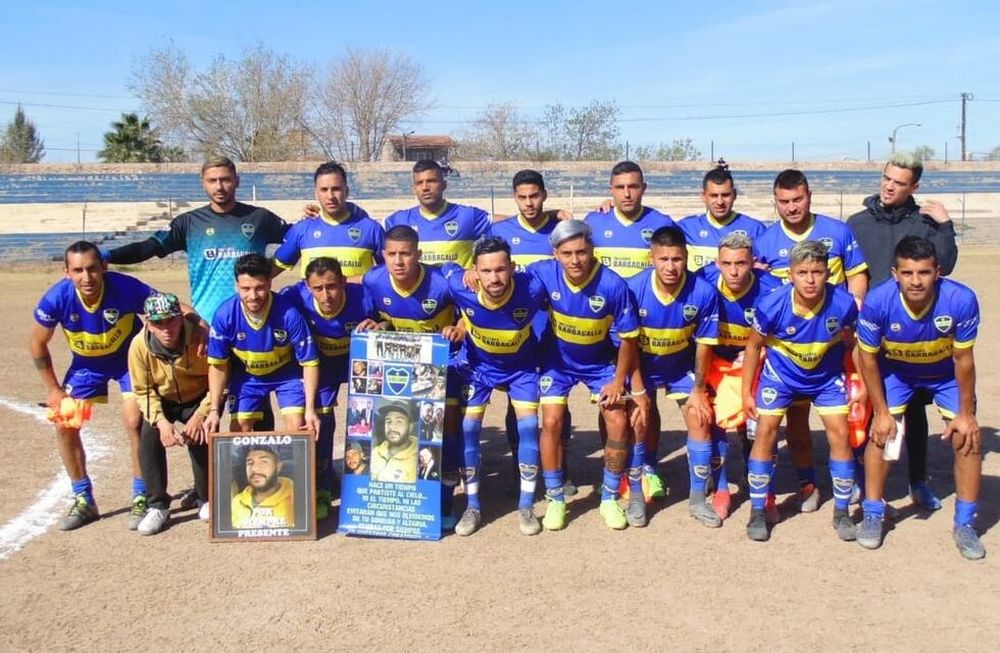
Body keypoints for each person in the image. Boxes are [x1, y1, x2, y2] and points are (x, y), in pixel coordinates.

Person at [105, 156, 293, 444]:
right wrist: (107, 256)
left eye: (226, 179)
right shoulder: (188, 223)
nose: (220, 186)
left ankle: (259, 473)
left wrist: (273, 269)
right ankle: (214, 483)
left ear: (237, 181)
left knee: (254, 401)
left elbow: (298, 239)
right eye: (213, 180)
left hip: (253, 322)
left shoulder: (259, 219)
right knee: (214, 407)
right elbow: (148, 248)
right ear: (203, 184)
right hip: (205, 331)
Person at [854, 237, 984, 560]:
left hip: (945, 375)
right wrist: (881, 412)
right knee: (883, 434)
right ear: (895, 272)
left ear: (937, 272)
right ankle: (872, 512)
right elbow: (866, 358)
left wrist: (966, 414)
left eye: (924, 272)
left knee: (966, 438)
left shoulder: (961, 299)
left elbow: (963, 360)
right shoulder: (877, 301)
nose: (916, 281)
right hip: (897, 372)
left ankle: (965, 524)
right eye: (908, 273)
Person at [847, 152, 959, 511]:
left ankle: (917, 481)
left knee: (913, 409)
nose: (888, 186)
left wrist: (945, 225)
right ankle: (856, 480)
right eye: (886, 177)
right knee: (861, 404)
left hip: (913, 333)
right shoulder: (857, 222)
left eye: (898, 182)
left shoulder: (924, 223)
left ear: (914, 186)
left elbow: (947, 265)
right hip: (867, 331)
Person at [753, 169, 869, 512]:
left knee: (850, 417)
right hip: (787, 345)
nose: (792, 207)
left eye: (798, 199)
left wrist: (853, 311)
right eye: (784, 201)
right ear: (775, 203)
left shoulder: (838, 231)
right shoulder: (765, 241)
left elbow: (857, 274)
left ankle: (852, 482)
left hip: (833, 338)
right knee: (797, 423)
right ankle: (807, 483)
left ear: (809, 196)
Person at [29, 241, 162, 530]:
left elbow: (163, 306)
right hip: (86, 367)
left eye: (91, 269)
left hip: (129, 361)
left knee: (135, 421)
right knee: (64, 422)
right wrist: (53, 389)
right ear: (66, 272)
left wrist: (197, 324)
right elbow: (37, 342)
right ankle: (83, 499)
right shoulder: (57, 298)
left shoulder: (125, 287)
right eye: (78, 271)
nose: (86, 277)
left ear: (104, 266)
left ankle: (142, 497)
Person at [528, 220, 646, 531]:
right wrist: (471, 274)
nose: (575, 260)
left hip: (599, 362)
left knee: (618, 418)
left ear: (592, 249)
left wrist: (619, 381)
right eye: (567, 253)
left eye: (581, 252)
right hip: (558, 361)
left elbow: (629, 339)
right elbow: (508, 280)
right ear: (555, 254)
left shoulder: (613, 285)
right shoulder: (542, 272)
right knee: (551, 421)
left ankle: (608, 497)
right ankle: (555, 498)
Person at [742, 240, 860, 543]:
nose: (810, 279)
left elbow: (852, 343)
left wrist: (859, 383)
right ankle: (758, 510)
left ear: (827, 274)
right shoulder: (771, 304)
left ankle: (842, 511)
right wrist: (746, 393)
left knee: (840, 433)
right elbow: (754, 346)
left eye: (817, 272)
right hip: (780, 377)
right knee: (766, 431)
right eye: (803, 272)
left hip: (825, 378)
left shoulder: (843, 303)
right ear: (790, 274)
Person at [357, 225, 465, 524]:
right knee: (399, 426)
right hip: (402, 365)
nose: (398, 261)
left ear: (418, 254)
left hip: (447, 363)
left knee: (448, 425)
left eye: (405, 254)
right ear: (383, 255)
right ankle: (399, 496)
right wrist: (376, 325)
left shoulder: (442, 283)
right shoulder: (374, 280)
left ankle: (446, 499)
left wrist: (460, 329)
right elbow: (378, 318)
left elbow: (471, 308)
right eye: (391, 254)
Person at [449, 236, 548, 536]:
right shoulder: (458, 286)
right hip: (480, 369)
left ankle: (526, 506)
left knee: (529, 427)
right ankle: (473, 505)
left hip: (521, 369)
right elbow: (439, 269)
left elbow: (560, 269)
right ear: (475, 272)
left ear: (512, 268)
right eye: (487, 271)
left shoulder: (532, 288)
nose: (495, 278)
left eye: (501, 270)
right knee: (467, 429)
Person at [486, 169, 577, 495]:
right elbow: (479, 263)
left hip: (552, 333)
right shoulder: (499, 230)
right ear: (515, 198)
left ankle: (560, 467)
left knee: (557, 403)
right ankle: (520, 466)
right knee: (518, 403)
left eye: (534, 196)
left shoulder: (560, 229)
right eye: (522, 197)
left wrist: (557, 216)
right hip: (515, 334)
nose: (529, 203)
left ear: (544, 195)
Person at [628, 226, 722, 527]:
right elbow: (626, 345)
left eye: (678, 259)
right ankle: (636, 498)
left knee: (701, 418)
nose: (671, 267)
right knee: (638, 422)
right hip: (640, 366)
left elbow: (705, 344)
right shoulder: (633, 289)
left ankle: (697, 500)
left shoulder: (703, 292)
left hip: (680, 367)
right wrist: (640, 391)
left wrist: (697, 388)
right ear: (651, 258)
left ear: (687, 258)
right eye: (663, 259)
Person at [699, 233, 782, 520]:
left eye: (741, 264)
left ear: (754, 263)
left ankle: (765, 490)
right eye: (727, 263)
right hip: (716, 363)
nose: (733, 271)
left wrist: (756, 357)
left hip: (757, 363)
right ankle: (721, 489)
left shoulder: (771, 289)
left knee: (758, 426)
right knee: (714, 424)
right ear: (716, 263)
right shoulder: (703, 282)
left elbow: (781, 335)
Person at [279, 256, 368, 519]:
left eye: (331, 286)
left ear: (343, 281)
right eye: (318, 288)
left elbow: (388, 319)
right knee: (320, 421)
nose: (326, 294)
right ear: (307, 287)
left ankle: (370, 483)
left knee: (369, 417)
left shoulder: (364, 296)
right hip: (320, 366)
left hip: (359, 362)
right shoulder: (292, 297)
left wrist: (381, 324)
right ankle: (322, 486)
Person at [203, 254, 321, 438]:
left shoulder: (289, 314)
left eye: (259, 288)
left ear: (269, 283)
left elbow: (309, 363)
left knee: (297, 427)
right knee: (238, 429)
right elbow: (217, 365)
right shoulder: (224, 315)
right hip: (248, 377)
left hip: (286, 375)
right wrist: (214, 410)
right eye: (245, 288)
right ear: (236, 286)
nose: (252, 296)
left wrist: (310, 410)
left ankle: (287, 467)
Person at [127, 292, 212, 535]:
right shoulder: (139, 346)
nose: (167, 329)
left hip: (198, 396)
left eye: (171, 320)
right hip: (163, 400)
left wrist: (201, 415)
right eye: (158, 323)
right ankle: (157, 505)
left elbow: (220, 379)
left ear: (181, 318)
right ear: (148, 324)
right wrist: (161, 422)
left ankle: (205, 497)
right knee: (148, 439)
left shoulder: (200, 338)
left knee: (201, 435)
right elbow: (142, 391)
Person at [273, 161, 384, 283]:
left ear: (346, 191)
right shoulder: (302, 229)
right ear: (316, 194)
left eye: (336, 189)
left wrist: (355, 280)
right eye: (324, 190)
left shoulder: (371, 229)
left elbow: (388, 272)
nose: (330, 196)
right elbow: (271, 270)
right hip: (314, 303)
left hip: (358, 302)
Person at [384, 159, 491, 268]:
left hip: (455, 284)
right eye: (419, 183)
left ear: (444, 185)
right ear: (414, 189)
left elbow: (505, 223)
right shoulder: (398, 220)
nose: (425, 187)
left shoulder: (467, 216)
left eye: (431, 181)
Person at [585, 160, 676, 280]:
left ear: (643, 188)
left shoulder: (662, 223)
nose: (627, 194)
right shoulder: (593, 222)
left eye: (633, 187)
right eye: (620, 187)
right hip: (607, 299)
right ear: (611, 190)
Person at [677, 160, 767, 271]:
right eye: (714, 195)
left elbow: (767, 265)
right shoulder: (686, 228)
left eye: (725, 195)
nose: (720, 202)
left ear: (734, 195)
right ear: (703, 196)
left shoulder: (755, 229)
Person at [231, 445, 295, 529]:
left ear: (278, 466)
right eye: (250, 463)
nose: (255, 469)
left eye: (263, 461)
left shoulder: (297, 499)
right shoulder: (236, 502)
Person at [370, 401, 419, 483]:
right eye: (388, 421)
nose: (392, 427)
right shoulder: (375, 452)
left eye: (399, 421)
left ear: (410, 427)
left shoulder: (419, 459)